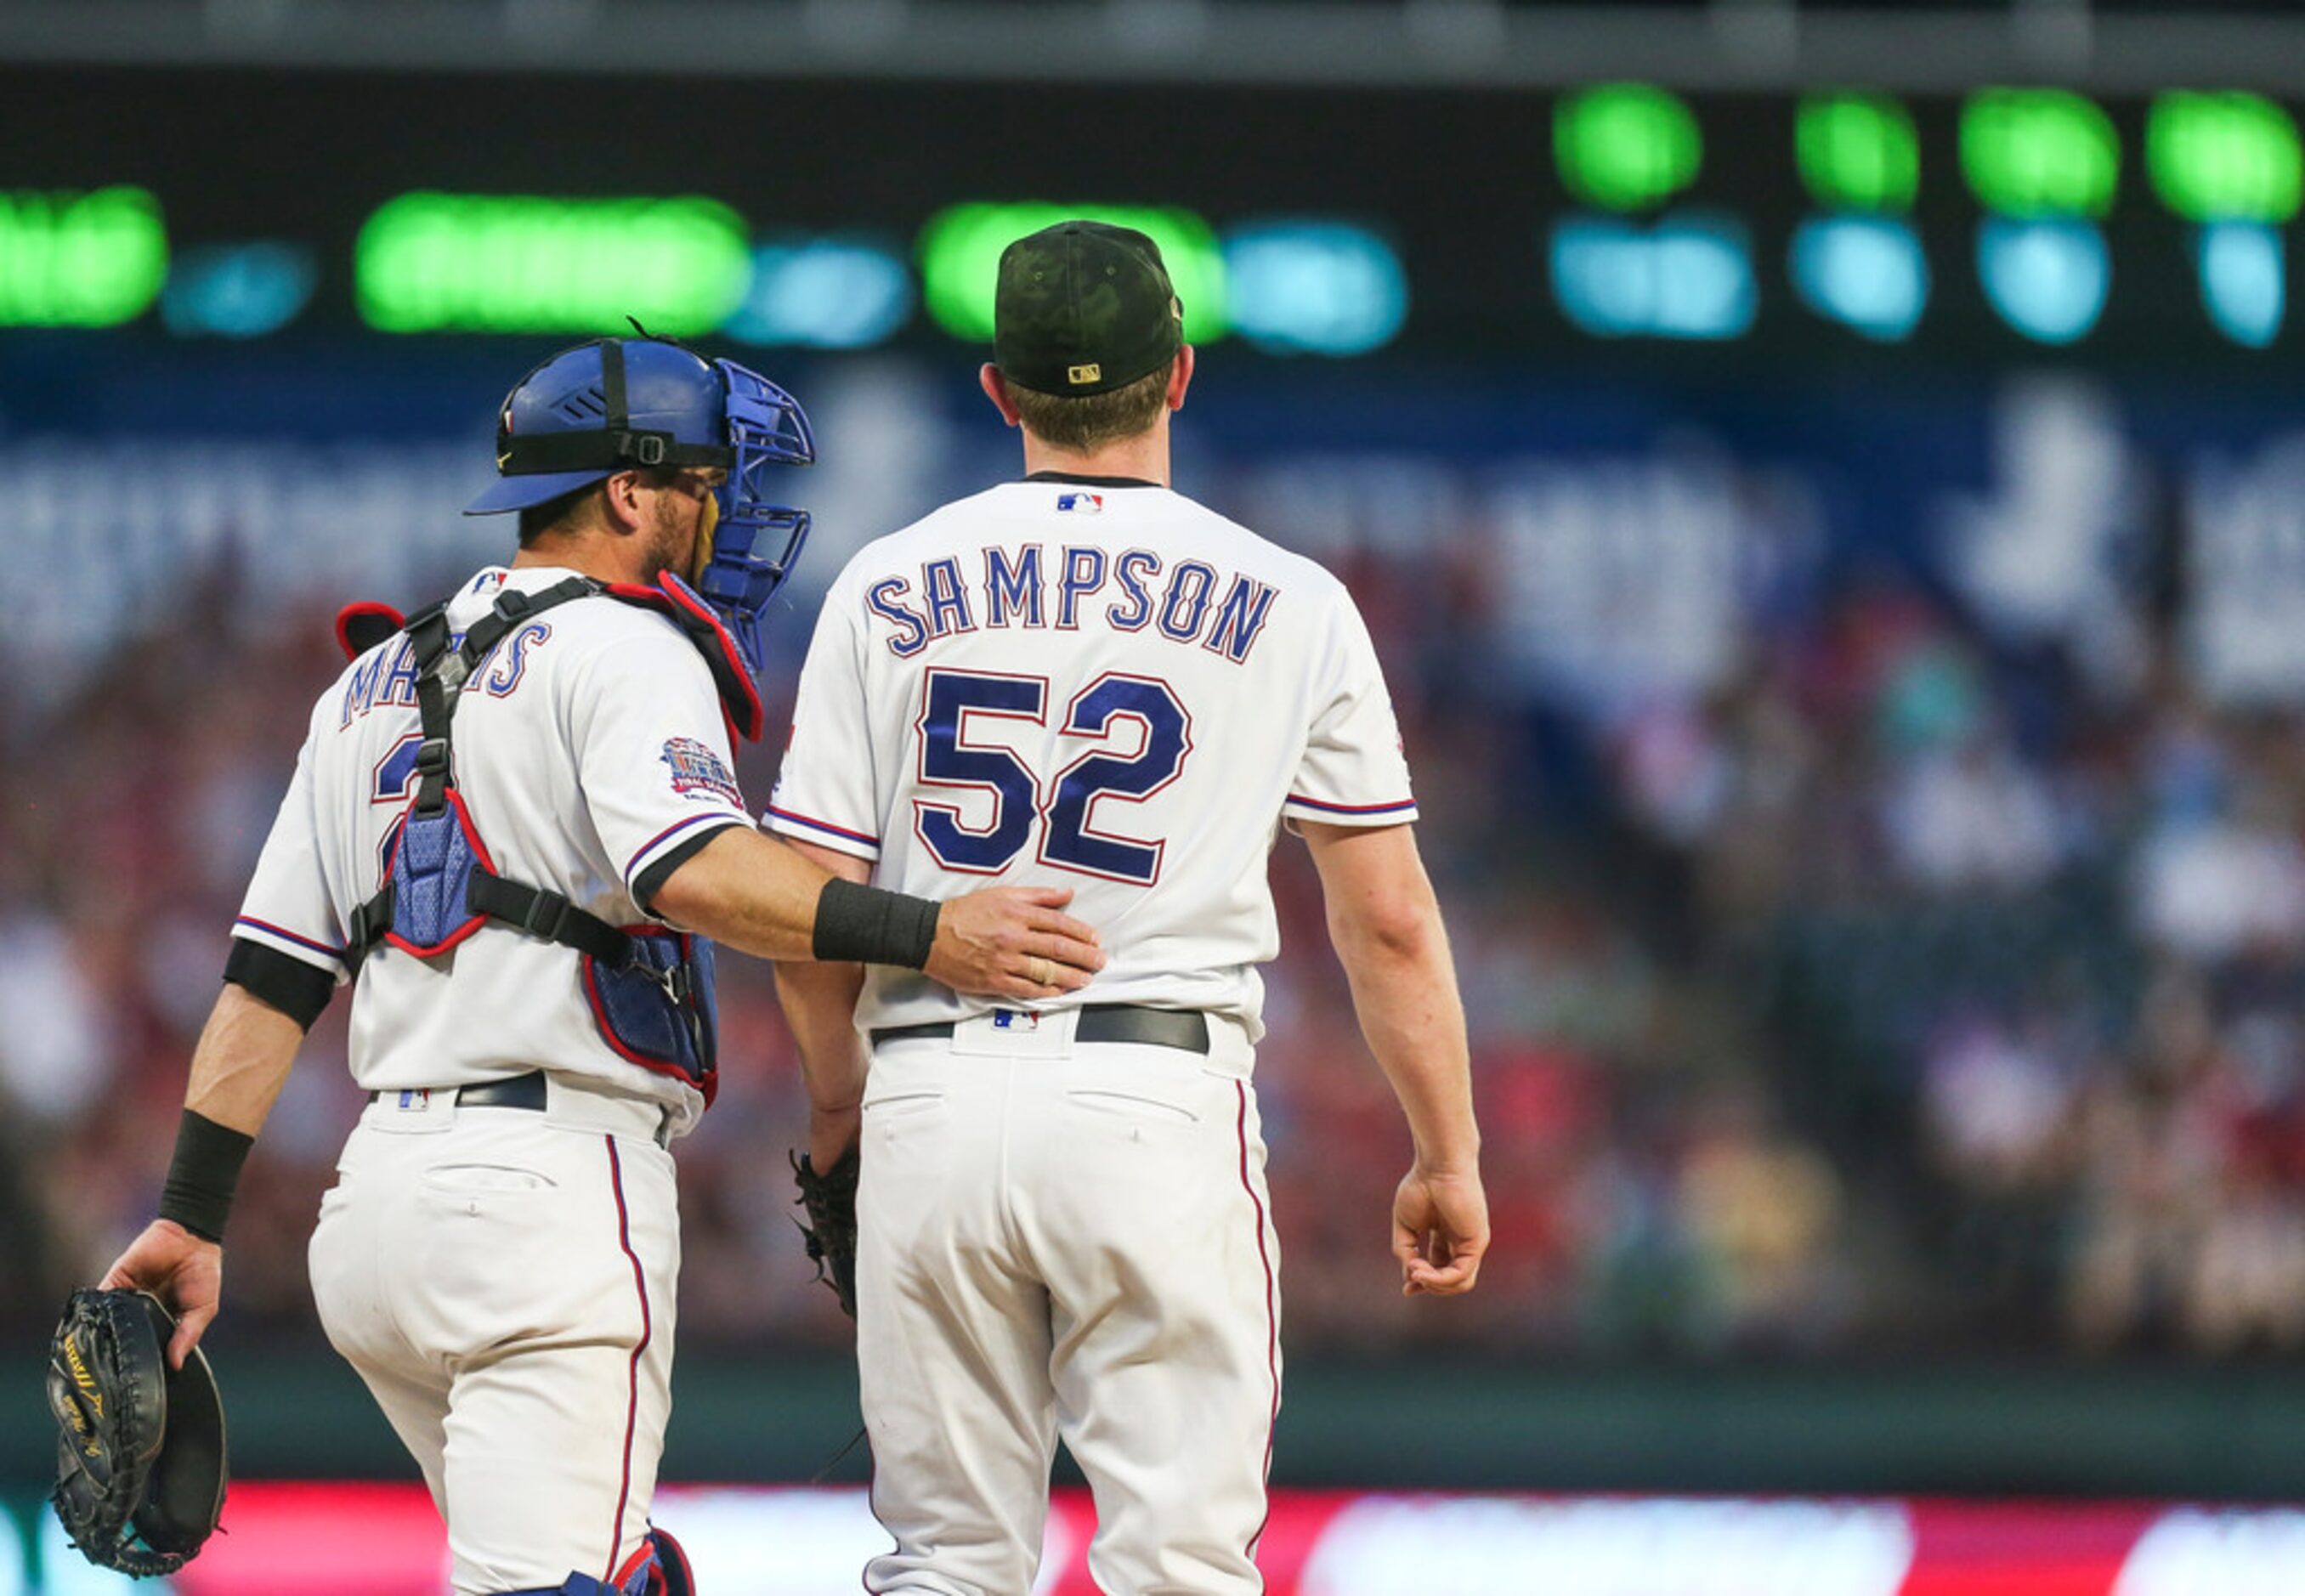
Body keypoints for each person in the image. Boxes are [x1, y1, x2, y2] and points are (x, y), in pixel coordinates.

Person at [94, 337, 1105, 1596]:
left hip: (377, 1222)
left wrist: (191, 1212)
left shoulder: (368, 681)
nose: (721, 507)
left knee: (607, 1572)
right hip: (545, 1196)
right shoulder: (628, 646)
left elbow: (268, 980)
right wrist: (933, 930)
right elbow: (698, 869)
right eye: (701, 478)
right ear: (628, 492)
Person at [766, 222, 1490, 1594]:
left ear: (998, 390)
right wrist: (1445, 1150)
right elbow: (1386, 918)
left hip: (929, 1090)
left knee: (945, 1560)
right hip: (1154, 1096)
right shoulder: (1293, 599)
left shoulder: (887, 579)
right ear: (1180, 373)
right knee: (1176, 1565)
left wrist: (840, 1104)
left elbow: (806, 906)